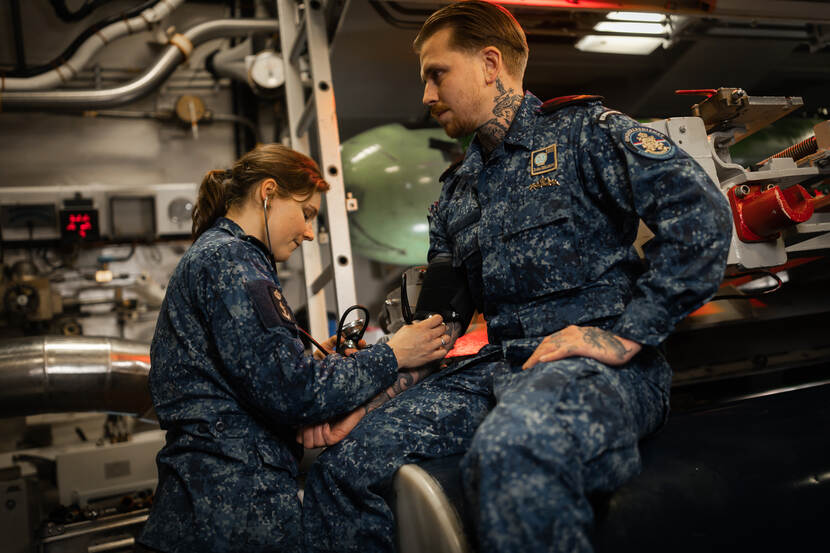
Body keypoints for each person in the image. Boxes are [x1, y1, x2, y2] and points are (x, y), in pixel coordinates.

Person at [302, 2, 733, 552]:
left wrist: (622, 337)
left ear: (489, 64)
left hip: (594, 367)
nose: (427, 97)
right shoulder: (457, 193)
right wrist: (373, 400)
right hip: (496, 370)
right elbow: (443, 327)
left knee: (514, 450)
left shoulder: (585, 134)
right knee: (341, 467)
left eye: (438, 75)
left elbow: (703, 219)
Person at [135, 144, 449, 553]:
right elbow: (293, 393)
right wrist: (395, 353)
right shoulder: (233, 262)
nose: (307, 232)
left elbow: (257, 379)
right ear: (268, 192)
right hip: (231, 512)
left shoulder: (223, 256)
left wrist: (313, 365)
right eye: (306, 213)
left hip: (212, 502)